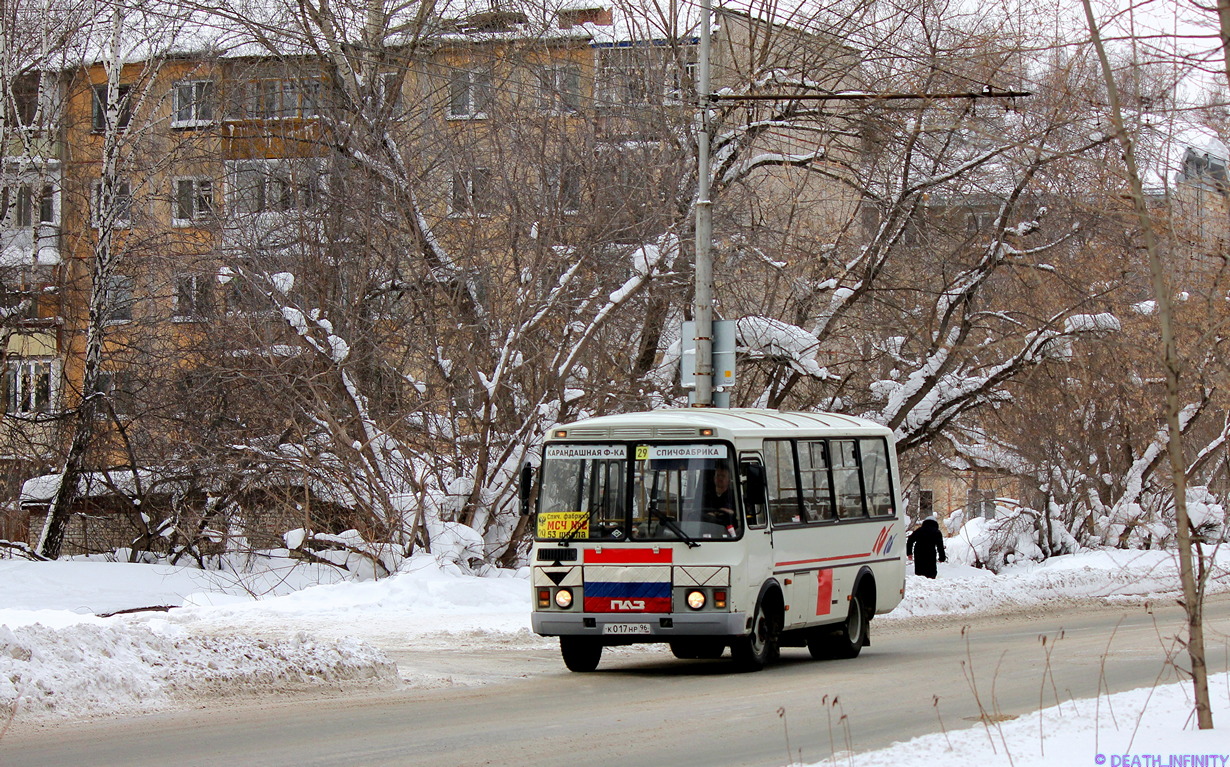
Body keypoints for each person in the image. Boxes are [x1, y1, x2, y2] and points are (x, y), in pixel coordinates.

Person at [701, 465, 737, 531]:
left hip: (728, 530)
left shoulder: (734, 496)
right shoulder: (707, 495)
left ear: (729, 480)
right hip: (708, 528)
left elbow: (734, 513)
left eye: (723, 476)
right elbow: (703, 512)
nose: (720, 478)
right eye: (717, 475)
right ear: (714, 478)